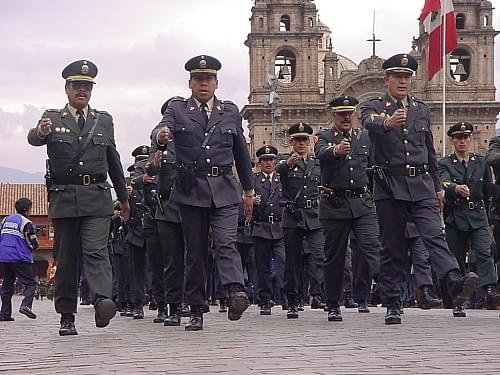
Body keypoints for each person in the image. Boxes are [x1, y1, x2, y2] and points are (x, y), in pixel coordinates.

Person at [360, 53, 478, 324]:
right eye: (397, 76)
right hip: (390, 185)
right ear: (387, 79)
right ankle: (392, 303)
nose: (403, 81)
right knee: (392, 246)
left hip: (422, 184)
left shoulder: (421, 109)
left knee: (434, 235)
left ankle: (454, 280)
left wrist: (437, 187)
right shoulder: (374, 105)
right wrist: (386, 123)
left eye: (407, 77)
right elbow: (367, 122)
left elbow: (429, 151)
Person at [27, 59, 129, 336]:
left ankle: (101, 301)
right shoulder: (53, 117)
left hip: (97, 197)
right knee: (67, 258)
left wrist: (123, 197)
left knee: (96, 251)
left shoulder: (104, 120)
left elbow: (113, 160)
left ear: (91, 90)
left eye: (86, 86)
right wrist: (40, 132)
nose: (81, 91)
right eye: (76, 86)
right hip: (64, 198)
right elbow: (33, 138)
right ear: (67, 89)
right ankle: (67, 315)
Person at [153, 55, 254, 331]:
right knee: (195, 252)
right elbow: (162, 128)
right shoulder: (178, 110)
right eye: (198, 80)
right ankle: (196, 308)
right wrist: (161, 136)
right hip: (192, 190)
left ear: (216, 83)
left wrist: (248, 190)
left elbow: (241, 155)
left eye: (208, 79)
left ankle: (236, 292)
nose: (203, 84)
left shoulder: (230, 112)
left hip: (224, 189)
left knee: (225, 242)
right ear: (190, 83)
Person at [314, 96, 380, 321]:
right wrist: (336, 151)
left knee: (373, 246)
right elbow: (320, 152)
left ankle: (389, 293)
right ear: (333, 115)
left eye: (349, 113)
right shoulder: (324, 136)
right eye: (341, 113)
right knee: (335, 256)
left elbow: (373, 166)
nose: (346, 117)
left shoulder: (364, 138)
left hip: (362, 203)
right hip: (335, 204)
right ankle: (333, 303)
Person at [438, 122, 498, 316]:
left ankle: (490, 289)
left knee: (484, 253)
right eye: (458, 138)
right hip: (456, 215)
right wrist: (455, 188)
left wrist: (490, 219)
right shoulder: (445, 163)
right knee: (456, 259)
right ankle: (458, 297)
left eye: (465, 138)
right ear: (452, 141)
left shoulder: (481, 162)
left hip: (478, 215)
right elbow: (443, 181)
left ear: (470, 140)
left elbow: (489, 190)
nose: (462, 141)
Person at [276, 122, 325, 319]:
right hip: (293, 217)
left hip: (314, 216)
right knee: (293, 262)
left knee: (319, 256)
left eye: (305, 139)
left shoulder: (316, 164)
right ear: (292, 142)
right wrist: (289, 164)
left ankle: (317, 293)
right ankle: (293, 299)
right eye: (298, 140)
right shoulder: (285, 162)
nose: (301, 143)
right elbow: (279, 170)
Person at [145, 97, 186, 326]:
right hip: (166, 207)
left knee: (192, 257)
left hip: (191, 204)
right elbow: (150, 165)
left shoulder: (193, 136)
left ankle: (190, 302)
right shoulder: (159, 137)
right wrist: (155, 164)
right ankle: (169, 306)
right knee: (169, 260)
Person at [251, 145, 285, 315]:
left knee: (283, 261)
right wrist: (251, 201)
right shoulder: (254, 180)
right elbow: (243, 201)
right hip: (261, 226)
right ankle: (264, 299)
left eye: (271, 159)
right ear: (260, 163)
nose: (268, 163)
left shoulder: (281, 179)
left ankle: (283, 295)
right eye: (265, 160)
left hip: (279, 227)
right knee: (262, 266)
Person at [0, 198, 39, 321]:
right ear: (28, 209)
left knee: (7, 285)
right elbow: (32, 241)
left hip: (5, 256)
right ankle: (26, 305)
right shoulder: (26, 222)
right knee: (30, 283)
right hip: (20, 256)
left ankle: (5, 313)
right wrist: (34, 246)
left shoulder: (5, 220)